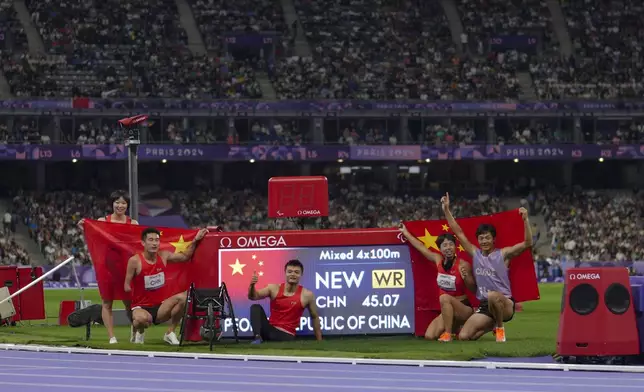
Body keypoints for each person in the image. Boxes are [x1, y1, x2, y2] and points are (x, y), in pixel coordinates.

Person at [441, 192, 533, 342]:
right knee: (464, 337)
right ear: (477, 240)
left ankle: (499, 328)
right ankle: (490, 325)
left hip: (504, 304)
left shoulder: (503, 254)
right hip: (485, 306)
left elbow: (528, 244)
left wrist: (525, 220)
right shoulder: (475, 254)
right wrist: (446, 210)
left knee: (492, 295)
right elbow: (457, 231)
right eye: (481, 238)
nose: (484, 241)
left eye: (487, 237)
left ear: (494, 239)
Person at [124, 226, 208, 345]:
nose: (154, 243)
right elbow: (126, 287)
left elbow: (185, 257)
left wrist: (195, 240)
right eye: (151, 240)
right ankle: (139, 331)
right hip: (141, 307)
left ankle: (170, 333)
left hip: (161, 307)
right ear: (143, 242)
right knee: (140, 320)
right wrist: (131, 311)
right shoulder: (134, 261)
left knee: (184, 297)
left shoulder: (164, 256)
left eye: (157, 240)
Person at [77, 190, 139, 344]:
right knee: (107, 302)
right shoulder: (102, 221)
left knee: (129, 303)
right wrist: (84, 227)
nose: (120, 205)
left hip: (126, 268)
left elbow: (139, 245)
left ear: (127, 205)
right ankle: (112, 337)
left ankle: (135, 331)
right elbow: (93, 237)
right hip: (107, 268)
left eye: (123, 203)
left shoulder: (134, 224)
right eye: (117, 202)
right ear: (112, 204)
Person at [399, 223, 476, 342]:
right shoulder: (438, 260)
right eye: (444, 245)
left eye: (451, 244)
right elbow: (421, 247)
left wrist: (466, 278)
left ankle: (448, 334)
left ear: (455, 247)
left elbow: (473, 289)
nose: (448, 247)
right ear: (440, 249)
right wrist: (406, 233)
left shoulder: (463, 264)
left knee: (444, 297)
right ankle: (456, 329)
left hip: (463, 308)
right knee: (429, 336)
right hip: (447, 309)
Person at [247, 259, 322, 343]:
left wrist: (319, 340)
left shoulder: (307, 295)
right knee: (255, 307)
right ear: (285, 273)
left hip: (286, 335)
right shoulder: (274, 288)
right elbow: (253, 297)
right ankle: (257, 338)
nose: (293, 274)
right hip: (270, 331)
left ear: (301, 274)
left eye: (296, 272)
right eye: (290, 272)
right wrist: (252, 286)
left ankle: (260, 339)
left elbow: (314, 317)